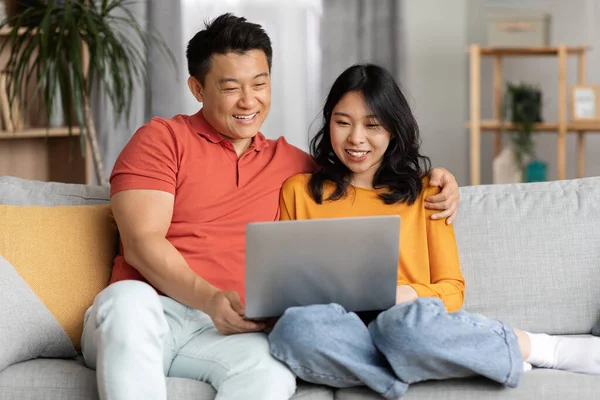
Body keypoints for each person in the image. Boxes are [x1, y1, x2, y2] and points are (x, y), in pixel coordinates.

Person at [79, 14, 461, 400]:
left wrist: (437, 179)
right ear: (197, 88)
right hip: (151, 315)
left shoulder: (294, 167)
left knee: (271, 374)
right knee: (129, 301)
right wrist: (211, 299)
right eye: (230, 87)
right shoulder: (161, 140)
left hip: (228, 331)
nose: (249, 101)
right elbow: (142, 242)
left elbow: (363, 174)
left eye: (260, 84)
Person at [267, 63, 600, 400]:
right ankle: (460, 360)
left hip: (409, 325)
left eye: (373, 125)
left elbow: (453, 290)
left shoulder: (428, 192)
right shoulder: (299, 191)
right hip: (337, 330)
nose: (356, 138)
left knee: (397, 328)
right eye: (342, 123)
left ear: (393, 131)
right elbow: (285, 289)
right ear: (329, 123)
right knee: (292, 331)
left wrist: (406, 294)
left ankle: (541, 348)